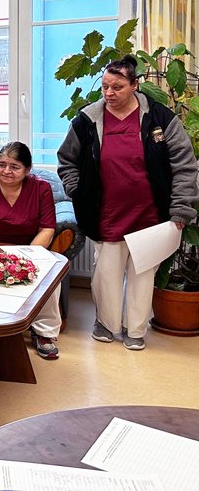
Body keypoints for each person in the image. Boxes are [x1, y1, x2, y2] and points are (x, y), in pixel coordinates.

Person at [57, 55, 199, 351]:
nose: (109, 93)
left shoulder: (160, 118)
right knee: (106, 274)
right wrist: (77, 190)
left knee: (143, 275)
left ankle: (135, 330)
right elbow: (67, 160)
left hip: (151, 215)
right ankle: (106, 324)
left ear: (135, 85)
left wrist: (181, 209)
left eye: (117, 87)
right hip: (106, 213)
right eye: (106, 86)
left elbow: (185, 166)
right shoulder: (87, 120)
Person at [0, 142, 63, 359]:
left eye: (14, 166)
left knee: (51, 277)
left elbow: (47, 229)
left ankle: (44, 333)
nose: (6, 171)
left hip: (29, 249)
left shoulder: (41, 188)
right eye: (2, 165)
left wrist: (24, 258)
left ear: (27, 169)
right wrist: (4, 258)